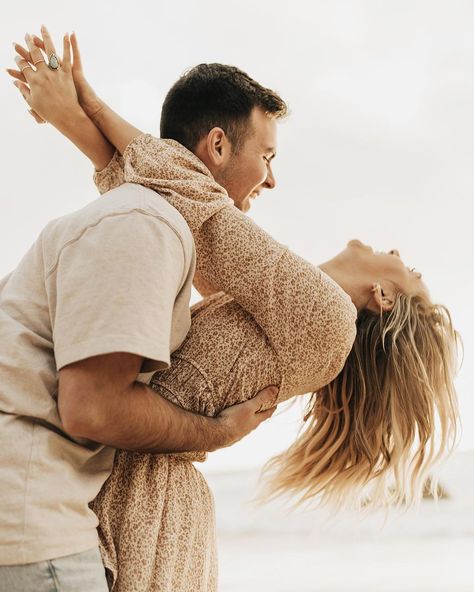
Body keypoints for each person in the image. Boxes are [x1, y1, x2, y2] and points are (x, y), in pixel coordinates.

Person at [8, 29, 460, 592]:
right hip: (125, 479)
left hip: (150, 494)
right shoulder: (275, 300)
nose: (396, 254)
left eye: (408, 269)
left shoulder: (326, 317)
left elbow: (197, 203)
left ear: (384, 299)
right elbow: (173, 202)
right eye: (266, 157)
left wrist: (83, 104)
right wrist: (71, 110)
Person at [0, 30, 280, 592]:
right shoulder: (145, 226)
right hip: (35, 528)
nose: (272, 179)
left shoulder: (147, 220)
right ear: (218, 146)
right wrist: (217, 433)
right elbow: (91, 408)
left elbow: (217, 257)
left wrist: (80, 109)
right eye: (267, 156)